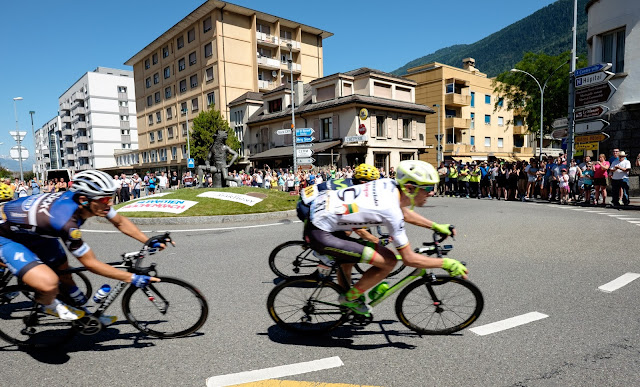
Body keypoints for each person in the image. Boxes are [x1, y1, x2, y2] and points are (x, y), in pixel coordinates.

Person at [0, 170, 169, 324]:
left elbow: (120, 222)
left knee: (65, 273)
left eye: (110, 198)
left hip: (34, 231)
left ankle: (87, 315)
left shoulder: (91, 202)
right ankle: (47, 304)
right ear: (84, 200)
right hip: (5, 234)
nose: (108, 204)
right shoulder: (65, 221)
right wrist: (131, 278)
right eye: (104, 200)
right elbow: (91, 264)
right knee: (49, 283)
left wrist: (147, 241)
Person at [304, 160, 466, 316]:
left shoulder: (389, 185)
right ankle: (349, 299)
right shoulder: (390, 210)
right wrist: (445, 263)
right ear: (410, 188)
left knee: (349, 262)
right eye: (428, 188)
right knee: (389, 260)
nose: (431, 192)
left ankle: (349, 302)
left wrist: (435, 226)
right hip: (321, 231)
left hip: (322, 213)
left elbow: (404, 212)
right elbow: (409, 258)